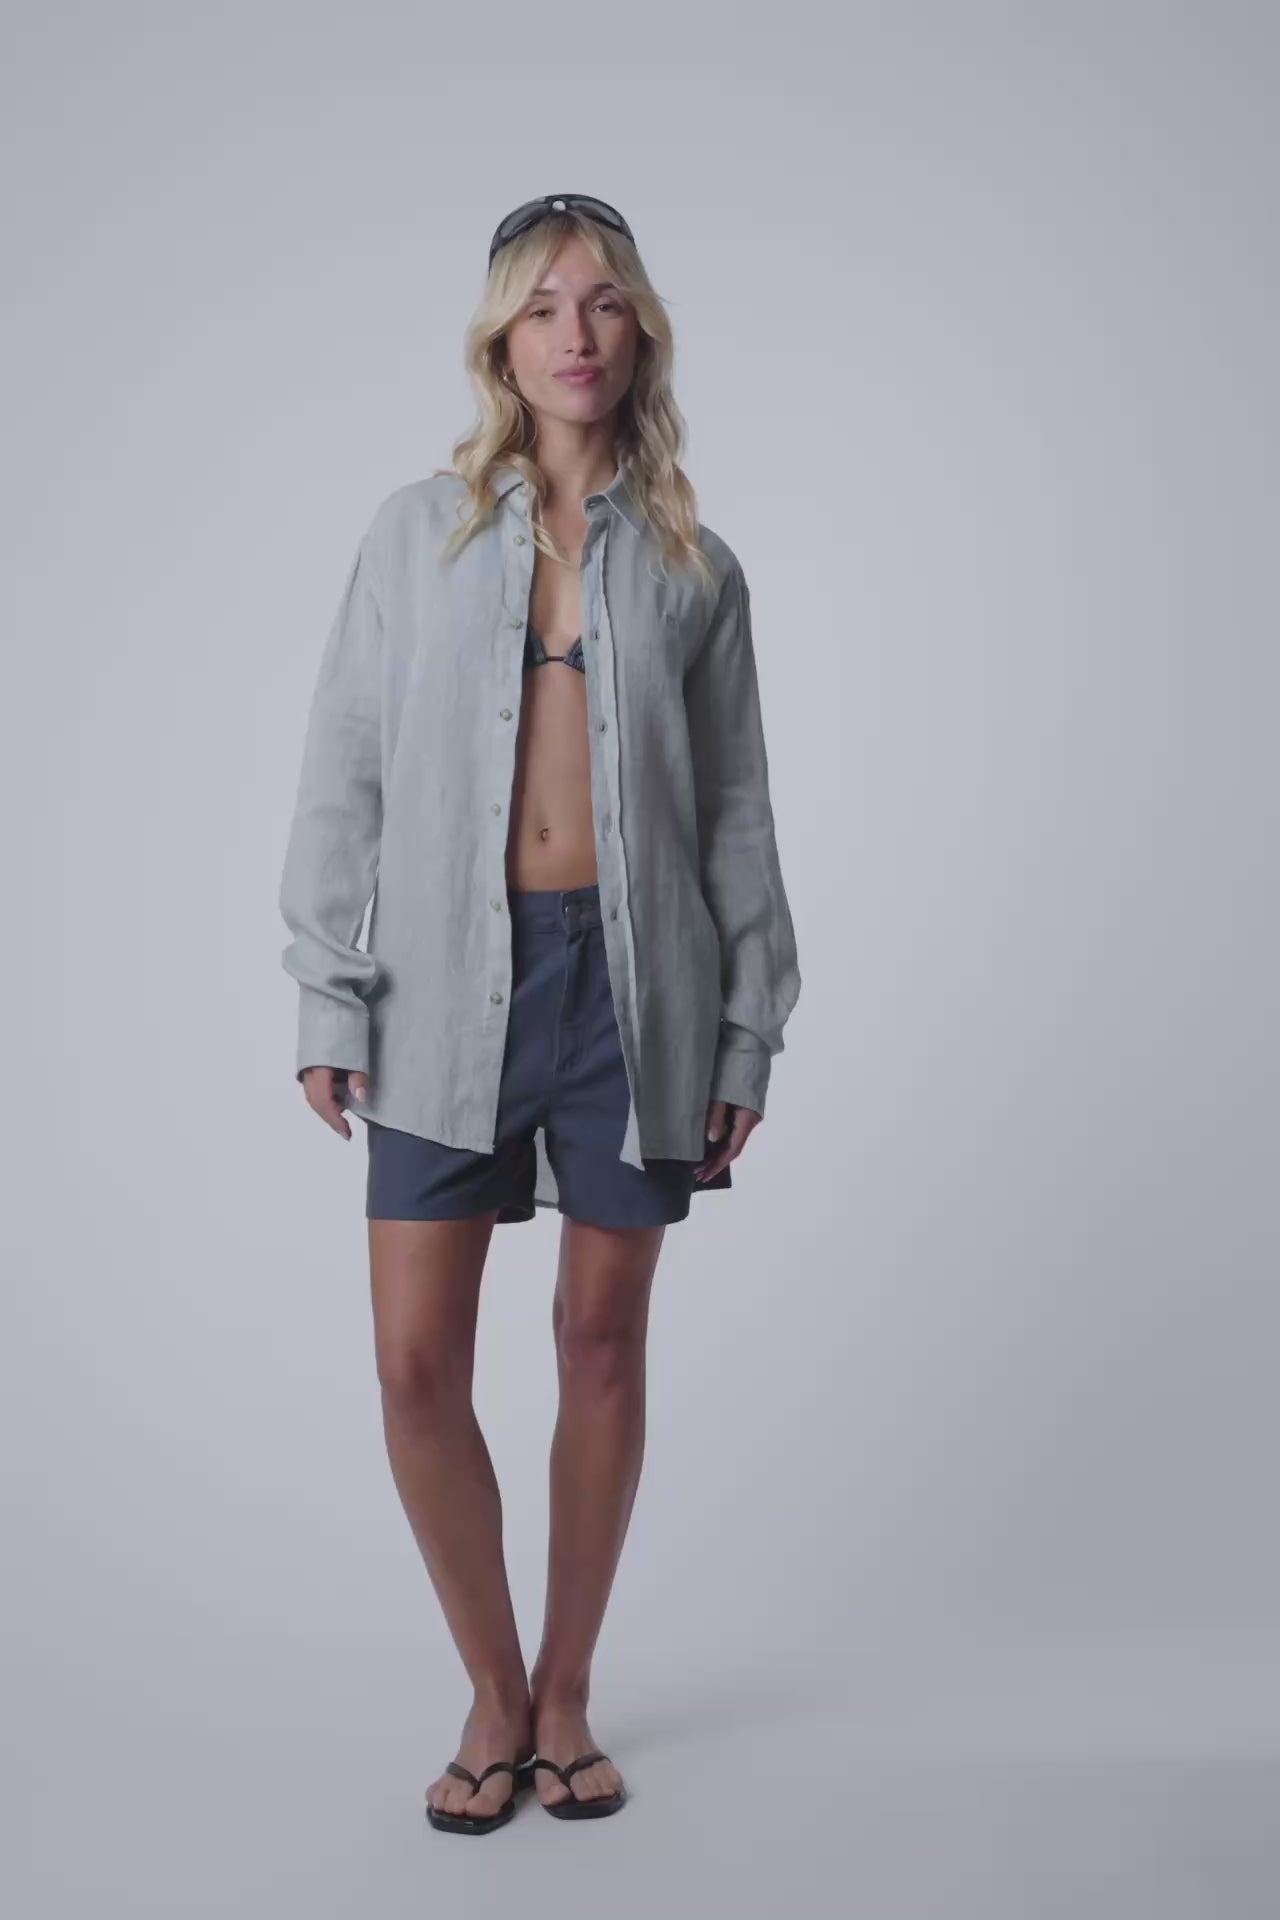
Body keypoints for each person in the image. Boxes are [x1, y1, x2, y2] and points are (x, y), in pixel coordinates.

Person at [277, 193, 801, 1834]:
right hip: (444, 987)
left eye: (605, 304)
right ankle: (491, 1689)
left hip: (636, 993)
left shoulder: (695, 565)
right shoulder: (411, 536)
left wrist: (746, 1029)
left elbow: (736, 815)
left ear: (641, 333)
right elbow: (344, 772)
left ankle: (564, 1695)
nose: (576, 333)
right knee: (414, 1364)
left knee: (599, 1343)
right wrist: (328, 987)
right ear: (501, 341)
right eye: (544, 306)